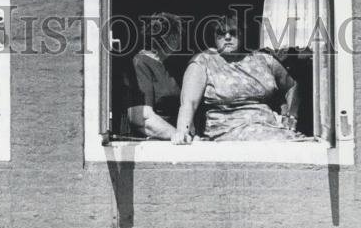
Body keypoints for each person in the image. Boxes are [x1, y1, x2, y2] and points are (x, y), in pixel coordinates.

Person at [173, 12, 308, 143]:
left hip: (270, 129)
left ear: (242, 34)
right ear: (214, 37)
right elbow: (188, 103)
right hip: (227, 133)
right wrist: (182, 130)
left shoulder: (263, 60)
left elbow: (291, 86)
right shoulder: (204, 61)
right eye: (221, 33)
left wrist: (290, 117)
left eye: (233, 33)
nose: (227, 37)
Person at [124, 12, 182, 139]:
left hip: (175, 141)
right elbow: (142, 118)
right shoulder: (140, 63)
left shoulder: (167, 65)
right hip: (154, 145)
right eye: (178, 35)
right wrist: (177, 135)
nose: (179, 39)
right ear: (171, 38)